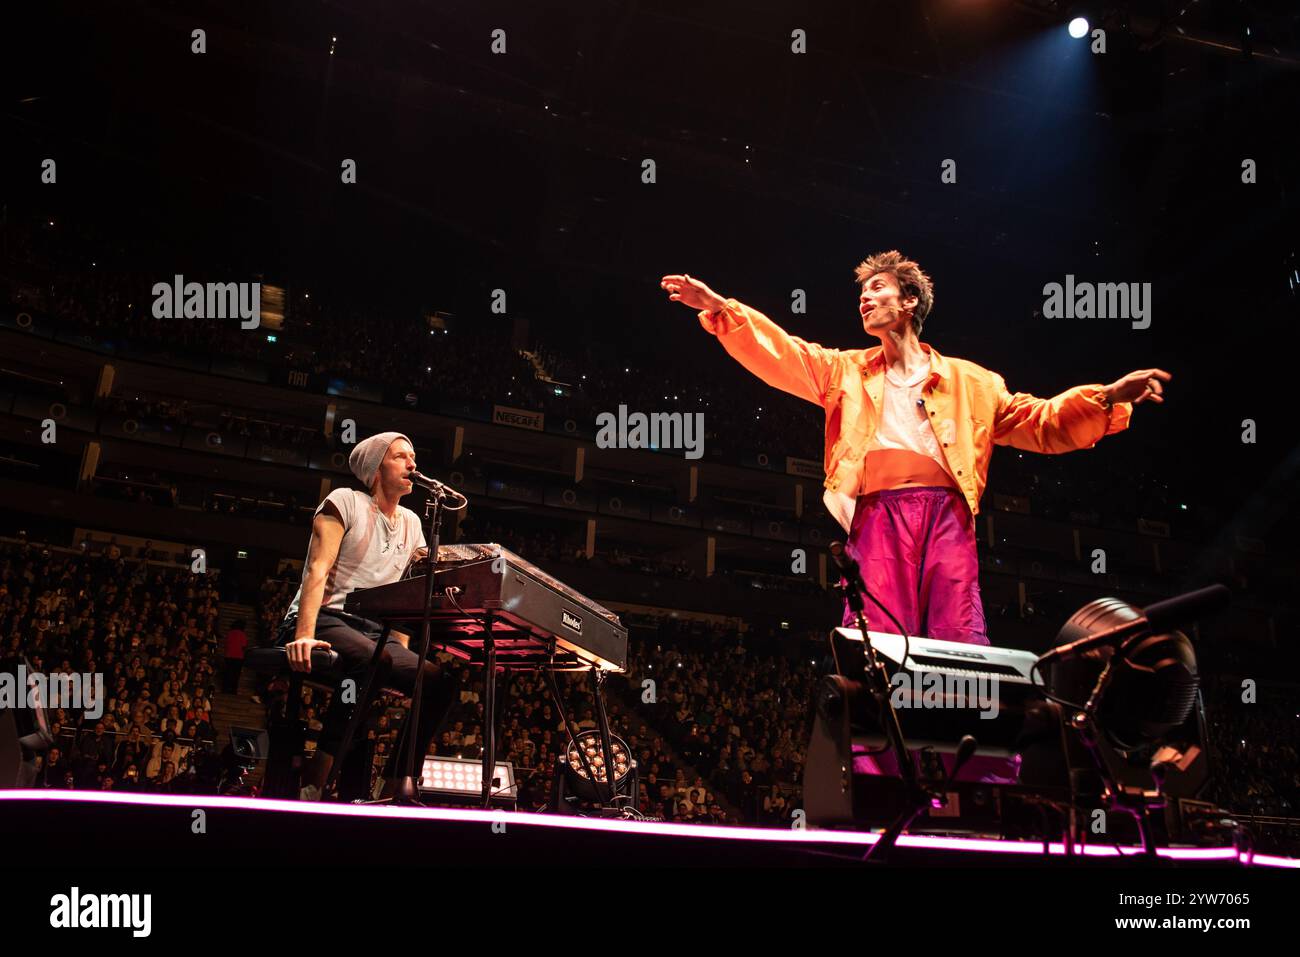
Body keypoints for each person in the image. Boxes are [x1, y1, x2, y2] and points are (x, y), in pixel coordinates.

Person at [661, 252, 1170, 645]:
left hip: (948, 515)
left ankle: (966, 769)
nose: (864, 298)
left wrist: (1106, 397)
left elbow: (1043, 423)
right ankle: (876, 768)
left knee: (959, 632)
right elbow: (784, 352)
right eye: (860, 292)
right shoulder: (844, 370)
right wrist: (719, 309)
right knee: (878, 638)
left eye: (876, 288)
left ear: (908, 302)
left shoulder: (975, 382)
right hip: (878, 514)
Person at [278, 432, 459, 800]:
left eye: (413, 456)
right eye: (400, 457)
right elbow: (317, 568)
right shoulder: (344, 501)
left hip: (374, 632)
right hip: (327, 616)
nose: (413, 464)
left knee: (440, 681)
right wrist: (303, 633)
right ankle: (321, 771)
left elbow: (407, 595)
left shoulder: (411, 523)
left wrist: (401, 645)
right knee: (376, 660)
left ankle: (396, 781)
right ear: (376, 468)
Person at [222, 618, 248, 693]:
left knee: (227, 673)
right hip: (238, 657)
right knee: (236, 675)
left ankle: (225, 689)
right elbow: (244, 646)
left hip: (229, 656)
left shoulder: (230, 633)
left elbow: (226, 644)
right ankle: (233, 689)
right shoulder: (243, 634)